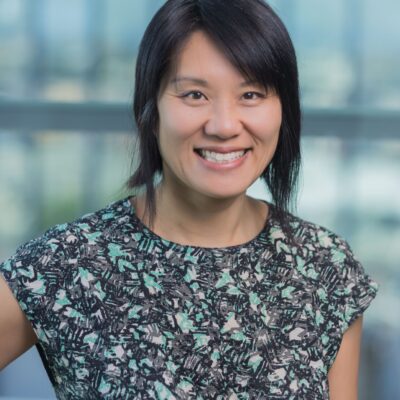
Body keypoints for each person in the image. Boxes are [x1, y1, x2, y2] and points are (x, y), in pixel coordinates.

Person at [0, 0, 378, 399]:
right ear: (152, 107)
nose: (224, 125)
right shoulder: (68, 264)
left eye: (251, 94)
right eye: (195, 95)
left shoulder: (325, 267)